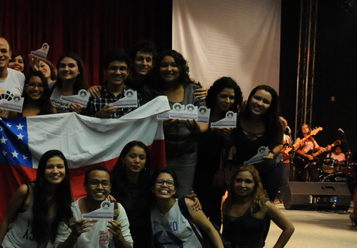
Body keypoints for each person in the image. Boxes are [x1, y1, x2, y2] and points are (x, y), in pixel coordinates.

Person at [153, 49, 205, 197]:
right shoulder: (151, 91)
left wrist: (196, 128)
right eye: (164, 65)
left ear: (181, 68)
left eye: (174, 65)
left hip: (187, 155)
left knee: (183, 196)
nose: (169, 69)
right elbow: (144, 123)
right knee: (161, 195)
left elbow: (204, 124)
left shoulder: (194, 90)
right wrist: (162, 126)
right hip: (161, 152)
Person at [195, 77, 241, 223]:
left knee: (215, 209)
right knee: (201, 208)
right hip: (198, 167)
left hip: (219, 171)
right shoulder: (202, 111)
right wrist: (214, 133)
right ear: (215, 95)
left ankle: (215, 237)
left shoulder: (233, 117)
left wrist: (225, 137)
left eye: (231, 97)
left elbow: (233, 145)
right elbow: (196, 139)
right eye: (223, 96)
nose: (228, 101)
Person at [229, 85, 284, 200]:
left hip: (269, 169)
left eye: (266, 102)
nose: (260, 103)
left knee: (265, 205)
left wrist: (272, 154)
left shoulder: (275, 123)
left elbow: (279, 143)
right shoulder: (236, 119)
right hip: (244, 171)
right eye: (257, 98)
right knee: (240, 205)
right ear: (250, 99)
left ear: (271, 106)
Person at [85, 49, 142, 118]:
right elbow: (84, 123)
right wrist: (99, 116)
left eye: (122, 68)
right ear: (105, 71)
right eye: (113, 68)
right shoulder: (93, 96)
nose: (118, 72)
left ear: (128, 72)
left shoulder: (136, 97)